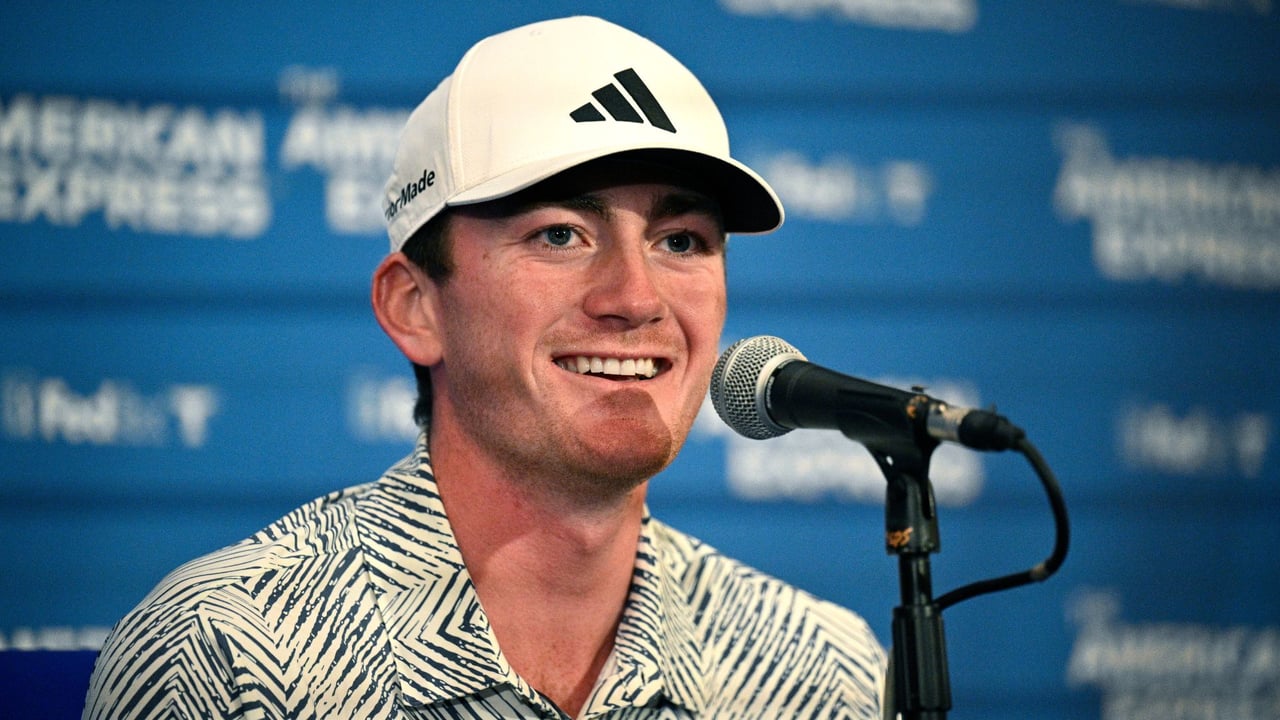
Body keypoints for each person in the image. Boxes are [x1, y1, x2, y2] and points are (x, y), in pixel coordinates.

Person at [83, 16, 886, 719]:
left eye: (681, 242)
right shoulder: (230, 658)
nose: (636, 299)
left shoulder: (821, 674)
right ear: (415, 306)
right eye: (560, 235)